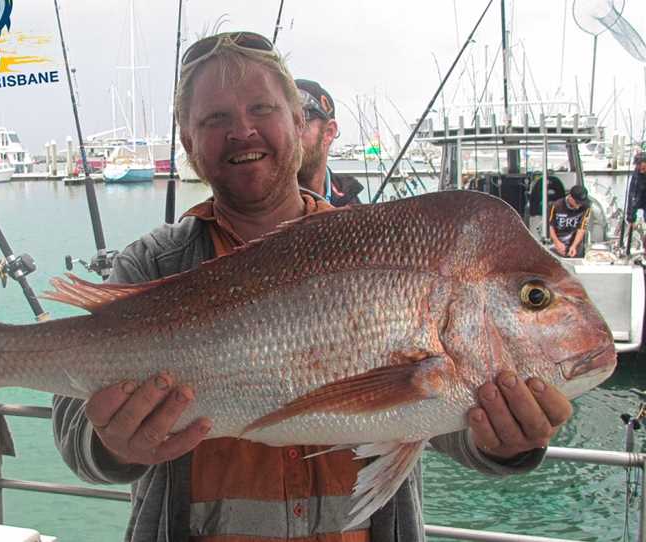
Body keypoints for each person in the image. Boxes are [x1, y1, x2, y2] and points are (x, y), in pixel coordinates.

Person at [52, 31, 573, 542]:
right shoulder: (149, 264)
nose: (242, 132)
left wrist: (505, 441)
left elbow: (440, 418)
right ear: (189, 143)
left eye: (262, 109)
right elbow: (74, 420)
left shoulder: (383, 250)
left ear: (299, 124)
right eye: (215, 119)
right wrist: (113, 445)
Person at [295, 78, 364, 207]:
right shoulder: (255, 202)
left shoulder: (349, 200)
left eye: (299, 120)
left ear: (329, 132)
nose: (288, 131)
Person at [548, 185, 592, 258]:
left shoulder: (586, 207)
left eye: (582, 203)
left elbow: (582, 228)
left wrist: (574, 246)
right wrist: (556, 242)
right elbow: (551, 226)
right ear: (570, 198)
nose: (579, 205)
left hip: (575, 244)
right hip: (557, 242)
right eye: (577, 203)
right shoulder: (556, 205)